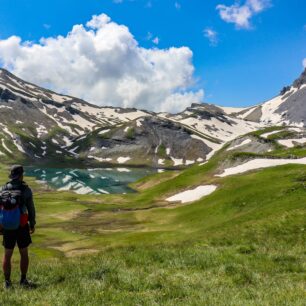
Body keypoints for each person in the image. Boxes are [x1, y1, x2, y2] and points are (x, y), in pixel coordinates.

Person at [0, 165, 36, 288]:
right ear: (21, 175)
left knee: (7, 254)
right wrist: (32, 223)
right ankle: (23, 280)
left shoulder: (2, 189)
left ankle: (7, 283)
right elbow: (31, 208)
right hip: (21, 225)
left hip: (7, 226)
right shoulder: (25, 189)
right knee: (24, 253)